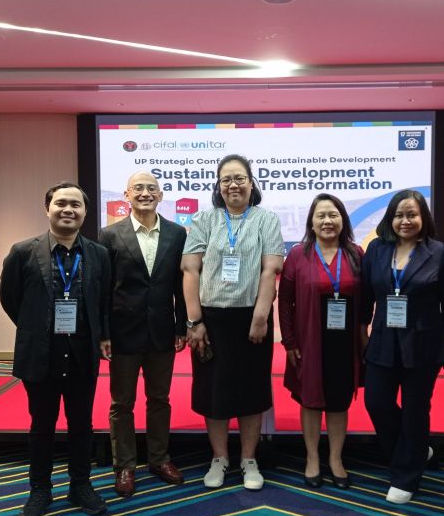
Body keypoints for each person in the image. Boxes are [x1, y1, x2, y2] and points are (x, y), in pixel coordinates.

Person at [0, 181, 111, 516]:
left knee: (82, 424)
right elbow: (10, 298)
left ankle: (80, 485)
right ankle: (40, 491)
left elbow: (103, 300)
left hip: (82, 351)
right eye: (61, 203)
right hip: (41, 352)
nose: (68, 210)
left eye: (75, 205)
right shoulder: (23, 251)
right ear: (47, 209)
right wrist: (35, 326)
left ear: (85, 212)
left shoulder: (99, 254)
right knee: (41, 425)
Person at [181, 154, 284, 491]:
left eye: (239, 178)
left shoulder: (266, 219)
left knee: (252, 389)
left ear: (251, 183)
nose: (233, 185)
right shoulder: (204, 219)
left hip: (251, 317)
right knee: (213, 391)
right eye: (226, 179)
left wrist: (261, 316)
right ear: (218, 185)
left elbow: (270, 269)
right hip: (210, 320)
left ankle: (249, 459)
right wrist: (194, 321)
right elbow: (190, 269)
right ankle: (220, 457)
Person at [360, 189, 444, 504]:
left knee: (416, 411)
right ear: (390, 218)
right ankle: (414, 451)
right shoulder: (376, 249)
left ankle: (406, 476)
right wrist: (362, 332)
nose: (406, 221)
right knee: (376, 403)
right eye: (399, 215)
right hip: (382, 341)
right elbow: (365, 296)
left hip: (424, 343)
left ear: (423, 218)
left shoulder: (439, 253)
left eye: (412, 214)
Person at [98, 172, 187, 498]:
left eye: (151, 188)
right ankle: (124, 465)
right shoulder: (109, 235)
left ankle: (159, 459)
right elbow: (103, 289)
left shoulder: (177, 233)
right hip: (123, 332)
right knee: (122, 403)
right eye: (138, 188)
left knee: (159, 399)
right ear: (127, 195)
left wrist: (181, 326)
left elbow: (180, 285)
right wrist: (104, 332)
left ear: (160, 195)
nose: (145, 193)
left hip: (162, 330)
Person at [278, 194, 363, 489]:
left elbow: (366, 299)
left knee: (339, 402)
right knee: (311, 401)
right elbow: (285, 302)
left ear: (343, 220)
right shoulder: (298, 255)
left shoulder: (355, 253)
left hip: (345, 342)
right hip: (309, 340)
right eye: (321, 216)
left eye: (333, 215)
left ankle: (336, 459)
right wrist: (289, 342)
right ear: (311, 223)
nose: (327, 221)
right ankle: (312, 457)